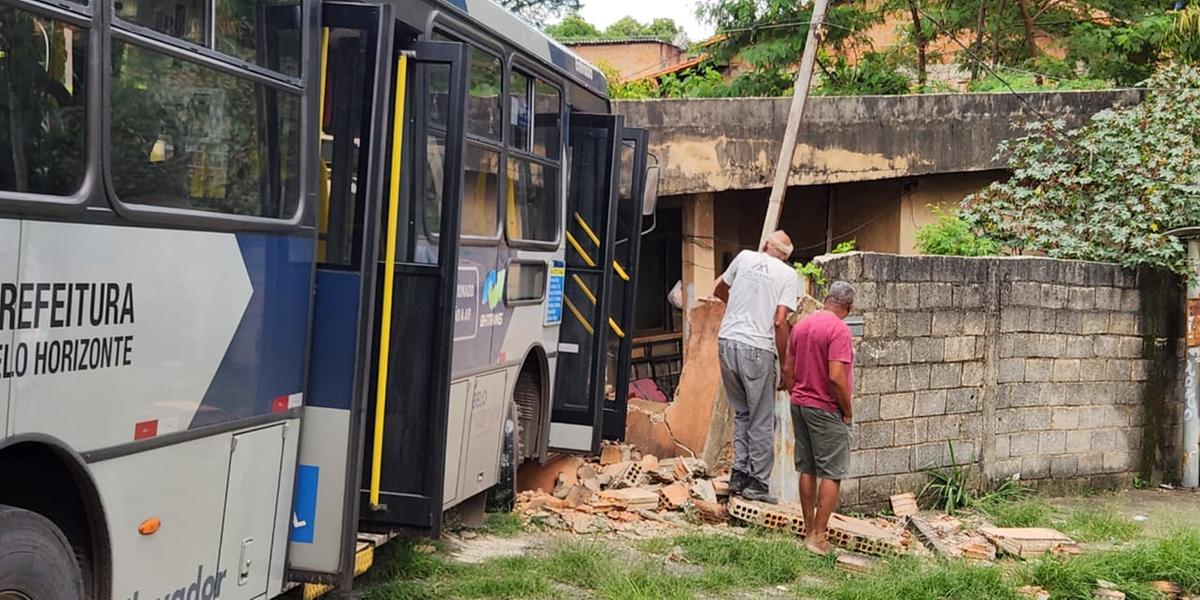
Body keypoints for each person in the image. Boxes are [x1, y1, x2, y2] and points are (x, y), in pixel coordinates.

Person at [713, 230, 800, 504]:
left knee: (742, 413)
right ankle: (758, 484)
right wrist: (787, 366)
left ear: (764, 245)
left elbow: (718, 288)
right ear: (786, 257)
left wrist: (740, 309)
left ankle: (739, 475)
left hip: (727, 342)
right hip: (757, 349)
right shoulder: (787, 275)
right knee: (762, 419)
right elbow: (779, 321)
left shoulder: (744, 257)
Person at [782, 280, 856, 555]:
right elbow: (836, 377)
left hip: (799, 403)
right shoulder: (839, 330)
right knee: (832, 472)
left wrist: (796, 395)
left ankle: (808, 528)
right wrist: (846, 410)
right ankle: (819, 536)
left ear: (827, 300)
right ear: (848, 307)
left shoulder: (801, 326)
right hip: (826, 408)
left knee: (808, 468)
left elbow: (788, 370)